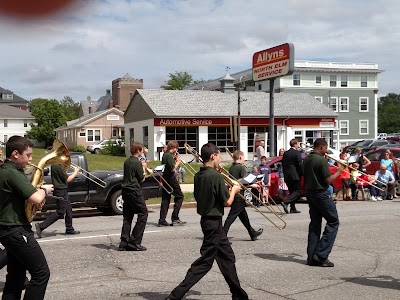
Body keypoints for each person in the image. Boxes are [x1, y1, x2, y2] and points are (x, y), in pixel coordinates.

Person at [166, 143, 249, 300]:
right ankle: (175, 295)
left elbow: (205, 194)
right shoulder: (215, 176)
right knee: (204, 263)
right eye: (218, 156)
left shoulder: (199, 175)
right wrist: (234, 190)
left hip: (208, 221)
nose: (220, 159)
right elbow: (227, 202)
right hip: (214, 223)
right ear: (213, 156)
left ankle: (239, 295)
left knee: (227, 258)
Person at [0, 135, 54, 299]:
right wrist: (44, 190)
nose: (30, 159)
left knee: (15, 278)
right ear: (16, 154)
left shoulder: (7, 171)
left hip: (8, 230)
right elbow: (36, 198)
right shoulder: (12, 173)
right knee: (41, 273)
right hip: (16, 230)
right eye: (28, 155)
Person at [303, 138, 344, 267]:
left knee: (315, 224)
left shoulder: (307, 159)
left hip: (310, 193)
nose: (326, 151)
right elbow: (328, 180)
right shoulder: (321, 160)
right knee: (333, 221)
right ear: (321, 147)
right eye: (326, 148)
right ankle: (321, 255)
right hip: (321, 193)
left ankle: (311, 257)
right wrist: (339, 171)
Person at [223, 150, 263, 241]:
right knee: (231, 217)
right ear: (240, 157)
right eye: (243, 157)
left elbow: (236, 180)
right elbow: (244, 182)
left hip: (234, 194)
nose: (244, 159)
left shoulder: (232, 168)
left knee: (244, 217)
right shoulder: (240, 167)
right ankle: (222, 234)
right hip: (239, 195)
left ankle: (252, 233)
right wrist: (252, 184)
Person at [35, 163, 81, 238]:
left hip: (62, 190)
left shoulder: (55, 165)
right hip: (61, 190)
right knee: (61, 211)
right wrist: (76, 171)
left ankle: (69, 229)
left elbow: (61, 177)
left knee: (68, 209)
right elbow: (67, 179)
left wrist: (65, 170)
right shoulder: (58, 165)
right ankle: (41, 226)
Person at [118, 142, 148, 251]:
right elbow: (142, 179)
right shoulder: (137, 163)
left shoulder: (127, 161)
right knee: (143, 214)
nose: (143, 152)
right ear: (139, 151)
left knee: (127, 217)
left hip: (125, 191)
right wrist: (144, 167)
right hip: (134, 191)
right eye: (142, 150)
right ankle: (134, 242)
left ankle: (124, 242)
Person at [158, 140, 186, 226]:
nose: (177, 150)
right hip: (170, 179)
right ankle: (175, 218)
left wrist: (174, 159)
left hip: (165, 178)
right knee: (180, 196)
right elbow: (172, 169)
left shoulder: (166, 155)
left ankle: (162, 220)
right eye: (176, 148)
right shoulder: (168, 155)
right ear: (173, 148)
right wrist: (178, 162)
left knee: (166, 199)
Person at [281, 139, 302, 214]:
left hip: (287, 175)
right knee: (298, 191)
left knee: (292, 191)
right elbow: (300, 164)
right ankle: (286, 202)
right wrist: (301, 173)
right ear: (295, 144)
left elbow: (283, 163)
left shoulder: (286, 153)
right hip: (295, 174)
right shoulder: (297, 153)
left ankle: (292, 208)